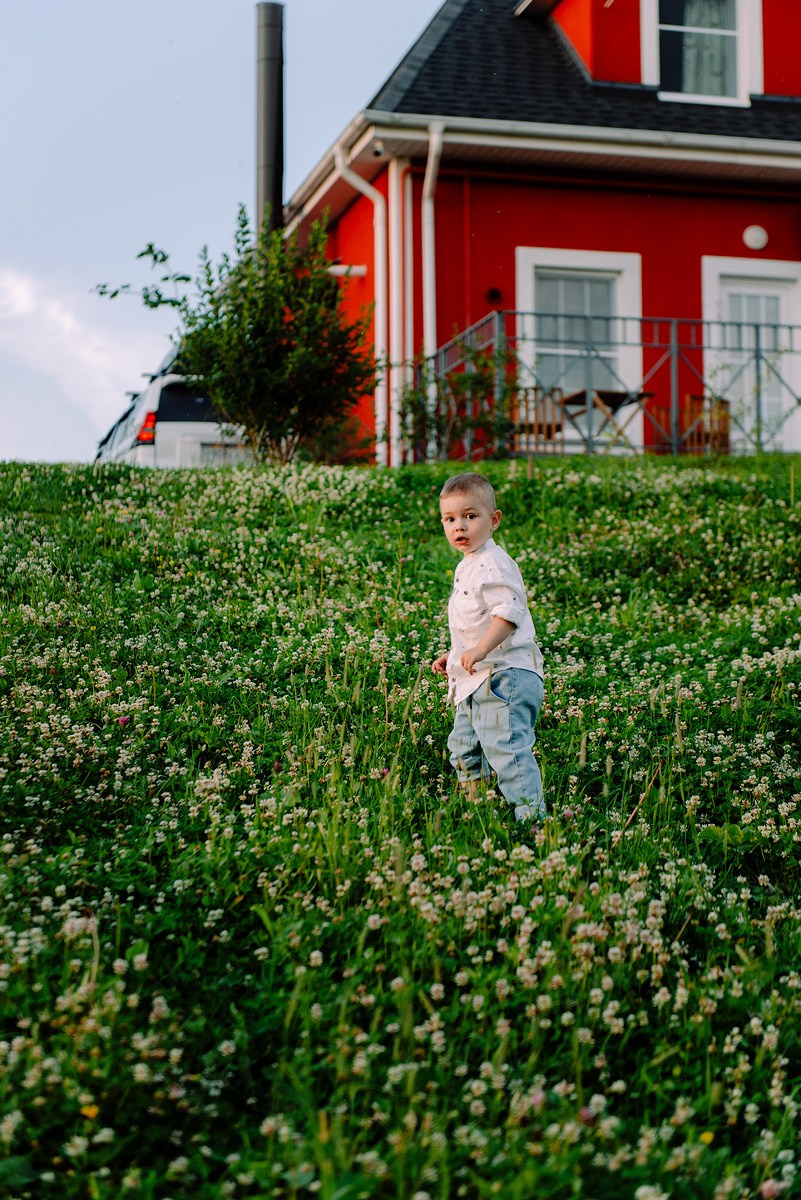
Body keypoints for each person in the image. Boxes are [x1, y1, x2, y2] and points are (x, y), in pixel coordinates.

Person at [431, 472, 545, 823]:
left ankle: (533, 823)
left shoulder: (494, 563)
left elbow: (508, 614)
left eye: (470, 516)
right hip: (474, 677)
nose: (459, 527)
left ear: (493, 520)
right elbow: (475, 620)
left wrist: (479, 649)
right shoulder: (468, 565)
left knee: (507, 749)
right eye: (450, 519)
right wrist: (457, 653)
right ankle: (476, 810)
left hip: (504, 677)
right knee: (464, 746)